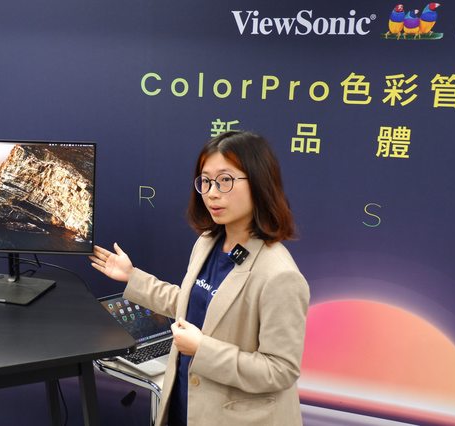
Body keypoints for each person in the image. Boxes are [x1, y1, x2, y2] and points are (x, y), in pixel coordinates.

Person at [90, 130, 309, 426]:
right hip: (186, 405)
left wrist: (202, 349)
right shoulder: (208, 242)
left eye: (225, 180)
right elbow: (192, 303)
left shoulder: (280, 275)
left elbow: (280, 370)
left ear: (259, 183)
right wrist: (132, 277)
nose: (212, 193)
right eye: (205, 181)